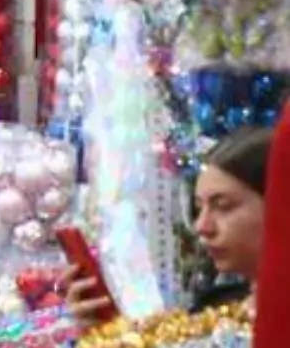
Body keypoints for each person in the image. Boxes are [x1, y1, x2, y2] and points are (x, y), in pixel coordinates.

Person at [69, 126, 272, 325]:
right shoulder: (213, 309)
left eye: (223, 206)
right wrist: (100, 330)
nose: (202, 226)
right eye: (199, 208)